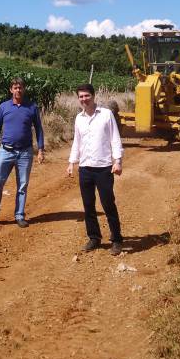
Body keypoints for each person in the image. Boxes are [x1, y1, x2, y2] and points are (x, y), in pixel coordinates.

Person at [66, 84, 124, 255]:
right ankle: (94, 238)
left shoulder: (106, 115)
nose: (84, 99)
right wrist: (71, 163)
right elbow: (77, 142)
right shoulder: (79, 118)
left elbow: (115, 138)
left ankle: (117, 239)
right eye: (81, 97)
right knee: (88, 205)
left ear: (93, 96)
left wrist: (118, 161)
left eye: (87, 96)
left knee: (108, 204)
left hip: (104, 167)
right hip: (85, 168)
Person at [0, 77, 45, 228]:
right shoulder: (4, 107)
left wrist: (40, 150)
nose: (18, 90)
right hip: (5, 151)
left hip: (25, 153)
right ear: (11, 90)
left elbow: (39, 130)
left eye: (20, 87)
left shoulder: (32, 107)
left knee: (22, 185)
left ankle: (19, 215)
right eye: (15, 88)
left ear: (24, 89)